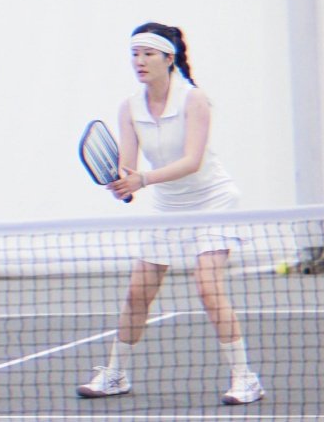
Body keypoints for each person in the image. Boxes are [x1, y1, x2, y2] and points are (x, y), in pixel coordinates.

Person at [76, 23, 264, 405]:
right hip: (167, 205)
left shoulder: (194, 100)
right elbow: (128, 166)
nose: (139, 62)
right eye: (135, 54)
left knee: (208, 287)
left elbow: (192, 161)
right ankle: (115, 374)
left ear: (168, 58)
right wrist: (124, 183)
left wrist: (141, 180)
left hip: (213, 201)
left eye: (148, 54)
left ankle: (246, 379)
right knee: (137, 294)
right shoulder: (129, 108)